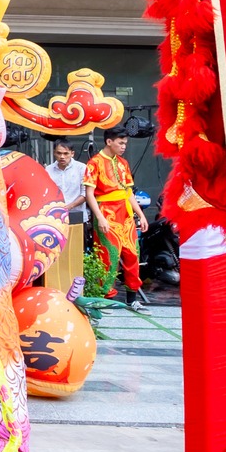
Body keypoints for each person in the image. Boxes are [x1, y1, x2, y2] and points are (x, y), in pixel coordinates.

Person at [85, 128, 150, 314]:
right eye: (120, 143)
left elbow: (128, 193)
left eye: (125, 144)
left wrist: (141, 215)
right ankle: (106, 298)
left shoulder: (123, 163)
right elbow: (89, 194)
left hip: (126, 215)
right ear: (109, 142)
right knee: (108, 256)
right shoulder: (94, 163)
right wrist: (100, 218)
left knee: (132, 254)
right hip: (106, 213)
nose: (123, 147)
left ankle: (132, 299)